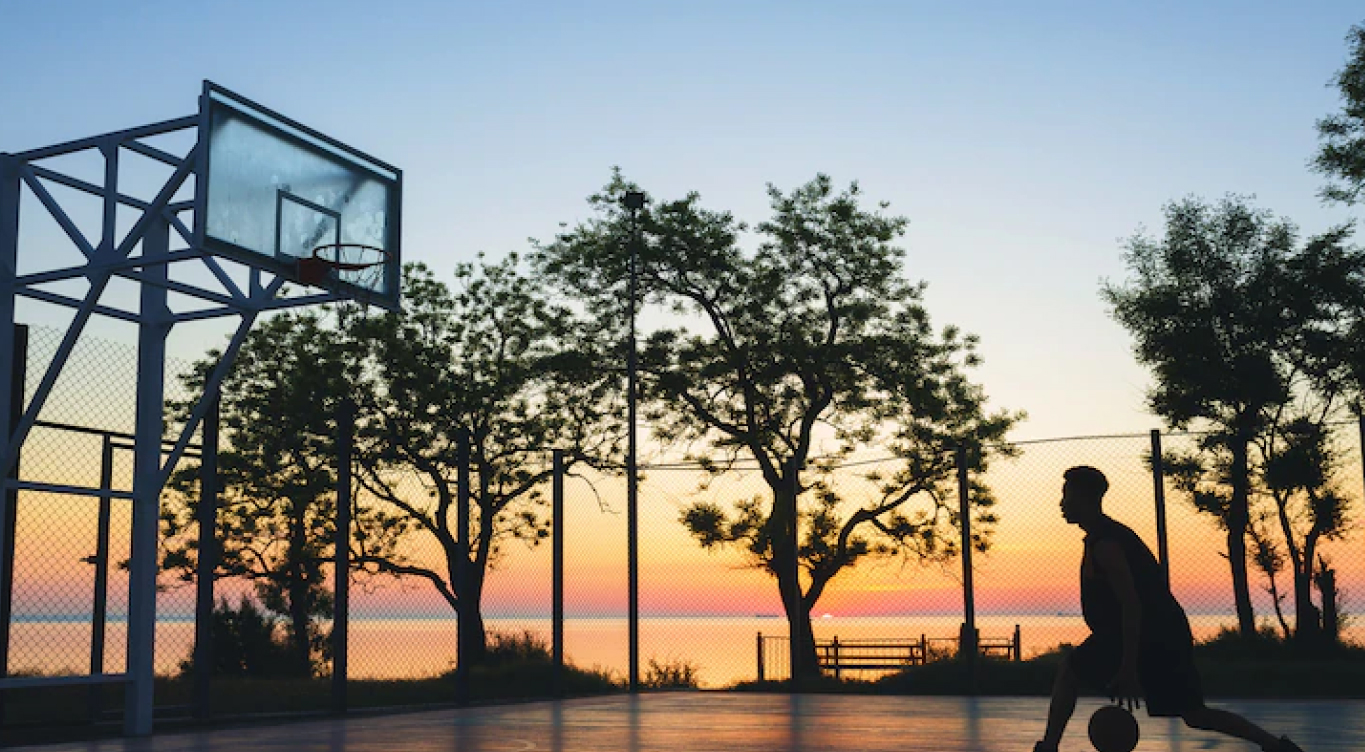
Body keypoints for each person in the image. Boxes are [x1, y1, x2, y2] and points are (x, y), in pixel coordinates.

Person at [1033, 466, 1305, 752]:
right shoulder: (1103, 537)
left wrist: (1128, 668)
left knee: (1072, 672)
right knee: (1194, 715)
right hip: (1149, 633)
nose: (1062, 503)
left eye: (1067, 495)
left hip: (1153, 636)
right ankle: (1275, 746)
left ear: (1084, 497)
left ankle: (1049, 746)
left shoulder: (1107, 544)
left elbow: (1132, 605)